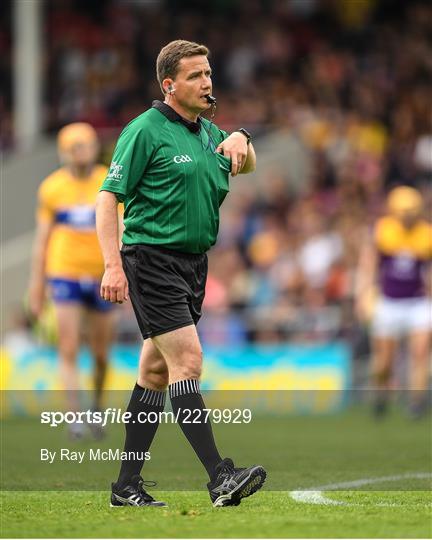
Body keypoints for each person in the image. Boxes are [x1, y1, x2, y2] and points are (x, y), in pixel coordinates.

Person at [96, 39, 266, 508]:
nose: (207, 82)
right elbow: (108, 197)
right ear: (170, 85)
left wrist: (242, 137)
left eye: (209, 73)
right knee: (187, 363)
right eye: (196, 76)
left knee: (153, 370)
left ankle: (125, 487)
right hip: (151, 259)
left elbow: (246, 166)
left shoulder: (209, 134)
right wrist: (113, 264)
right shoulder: (144, 130)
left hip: (193, 265)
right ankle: (220, 477)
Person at [29, 122, 114, 438]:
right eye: (74, 147)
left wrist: (121, 271)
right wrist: (36, 287)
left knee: (102, 354)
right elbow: (42, 240)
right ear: (64, 153)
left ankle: (97, 407)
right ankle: (74, 417)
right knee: (68, 346)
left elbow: (118, 228)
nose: (81, 153)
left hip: (101, 274)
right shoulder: (52, 188)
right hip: (63, 272)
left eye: (86, 145)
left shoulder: (108, 180)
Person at [356, 186, 432, 419]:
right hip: (389, 301)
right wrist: (362, 294)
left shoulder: (426, 233)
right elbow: (369, 265)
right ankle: (381, 397)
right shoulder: (383, 230)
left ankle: (416, 403)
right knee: (384, 360)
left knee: (420, 352)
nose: (407, 215)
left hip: (418, 301)